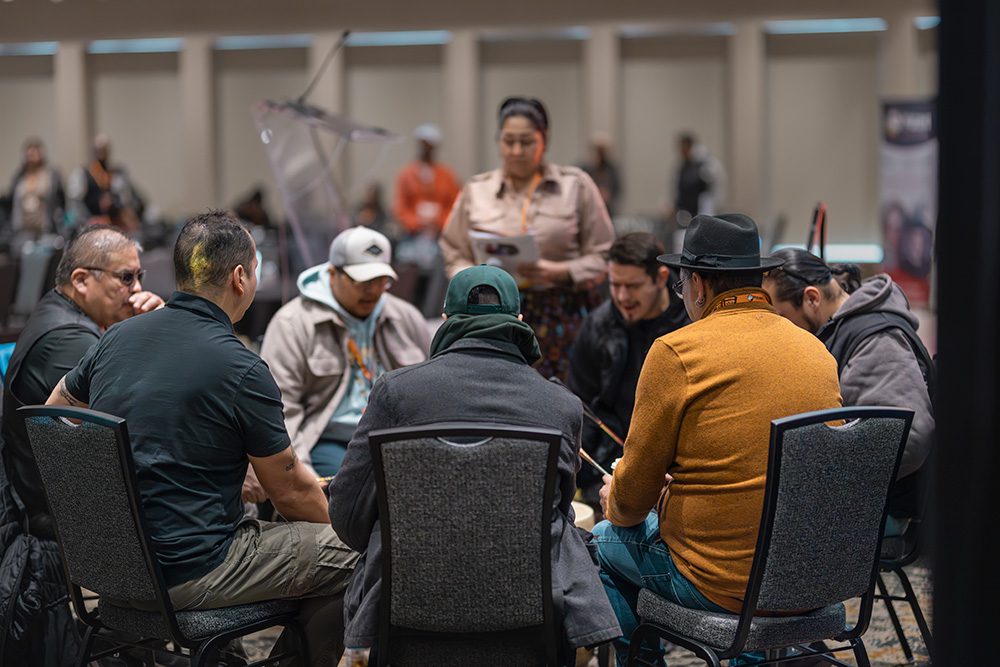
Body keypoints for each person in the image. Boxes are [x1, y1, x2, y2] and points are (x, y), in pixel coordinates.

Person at [45, 212, 358, 665]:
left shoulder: (117, 339)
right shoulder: (242, 367)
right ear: (240, 278)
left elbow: (53, 413)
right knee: (358, 548)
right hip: (191, 573)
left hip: (111, 569)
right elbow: (290, 494)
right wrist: (348, 521)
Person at [328, 264, 621, 660]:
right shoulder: (561, 406)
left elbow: (346, 515)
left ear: (445, 321)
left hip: (408, 614)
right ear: (519, 322)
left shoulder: (395, 394)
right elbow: (559, 509)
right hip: (531, 622)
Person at [592, 214, 842, 665]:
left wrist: (617, 498)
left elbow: (630, 503)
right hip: (814, 579)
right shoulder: (816, 350)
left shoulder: (677, 353)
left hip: (723, 586)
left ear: (699, 286)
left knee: (604, 540)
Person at [0, 225, 163, 665]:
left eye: (140, 277)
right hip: (68, 516)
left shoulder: (66, 320)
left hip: (70, 499)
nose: (137, 289)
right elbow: (141, 425)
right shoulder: (68, 340)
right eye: (126, 278)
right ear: (81, 280)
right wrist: (154, 332)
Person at [440, 96, 616, 380]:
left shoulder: (575, 186)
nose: (517, 150)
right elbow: (453, 249)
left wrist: (559, 272)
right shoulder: (477, 189)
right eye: (508, 141)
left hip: (562, 314)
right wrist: (473, 278)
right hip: (488, 314)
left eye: (526, 141)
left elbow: (605, 254)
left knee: (562, 394)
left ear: (543, 140)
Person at [763, 247, 934, 531]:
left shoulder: (877, 340)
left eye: (781, 316)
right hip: (859, 496)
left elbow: (912, 436)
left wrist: (826, 480)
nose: (779, 328)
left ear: (811, 298)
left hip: (880, 507)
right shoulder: (842, 330)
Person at [260, 226, 429, 478]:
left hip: (398, 439)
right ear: (332, 273)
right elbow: (282, 408)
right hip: (331, 440)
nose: (373, 290)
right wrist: (300, 473)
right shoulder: (293, 323)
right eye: (363, 281)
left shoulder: (405, 317)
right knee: (359, 485)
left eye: (381, 280)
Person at [567, 233, 689, 503]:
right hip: (607, 465)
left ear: (660, 277)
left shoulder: (689, 324)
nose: (622, 296)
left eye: (632, 286)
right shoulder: (598, 326)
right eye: (615, 285)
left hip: (675, 473)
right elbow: (580, 404)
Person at [392, 123, 460, 237]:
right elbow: (400, 206)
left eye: (429, 145)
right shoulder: (406, 175)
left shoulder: (447, 175)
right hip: (412, 234)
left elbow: (455, 204)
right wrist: (416, 222)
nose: (425, 149)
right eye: (423, 144)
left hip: (441, 233)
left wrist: (439, 222)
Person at [67, 134, 145, 231]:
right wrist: (87, 220)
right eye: (98, 149)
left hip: (117, 222)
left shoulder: (118, 173)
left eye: (104, 149)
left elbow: (129, 198)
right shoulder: (82, 174)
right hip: (92, 223)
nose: (102, 153)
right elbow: (75, 203)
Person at [3, 138, 65, 246]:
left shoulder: (51, 175)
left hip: (45, 229)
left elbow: (61, 200)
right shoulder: (19, 177)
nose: (31, 156)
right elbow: (10, 202)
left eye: (34, 152)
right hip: (22, 231)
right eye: (29, 153)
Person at [671, 132, 725, 224]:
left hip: (701, 212)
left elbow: (712, 185)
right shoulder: (683, 167)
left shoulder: (704, 165)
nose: (681, 151)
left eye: (684, 147)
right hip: (684, 214)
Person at [579, 133, 622, 217]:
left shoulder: (611, 170)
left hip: (607, 210)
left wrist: (608, 196)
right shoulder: (584, 168)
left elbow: (617, 190)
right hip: (587, 210)